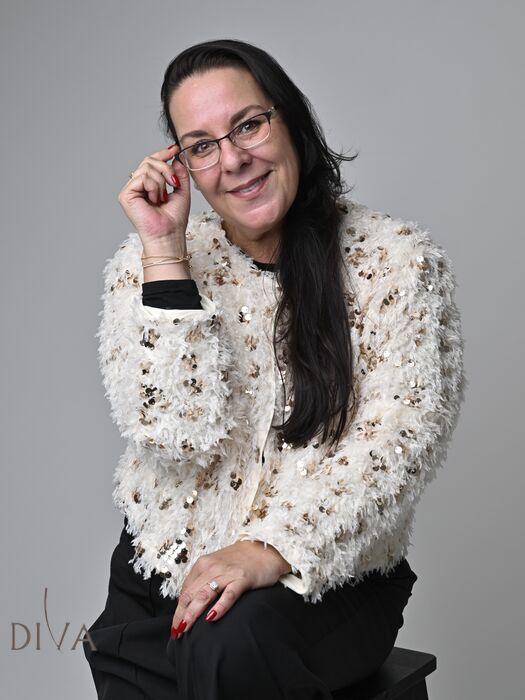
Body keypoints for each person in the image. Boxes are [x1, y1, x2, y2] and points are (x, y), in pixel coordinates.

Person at [83, 38, 465, 699]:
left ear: (291, 120)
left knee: (227, 644)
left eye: (248, 125)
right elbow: (172, 436)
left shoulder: (396, 262)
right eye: (202, 145)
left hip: (324, 579)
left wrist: (269, 548)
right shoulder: (146, 263)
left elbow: (401, 441)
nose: (233, 159)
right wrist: (165, 255)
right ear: (184, 165)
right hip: (164, 577)